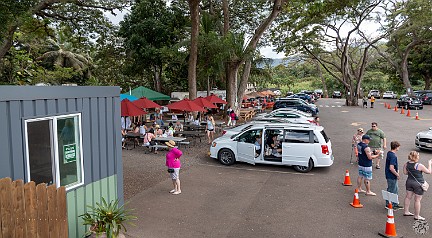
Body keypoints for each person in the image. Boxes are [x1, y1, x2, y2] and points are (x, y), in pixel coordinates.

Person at [403, 151, 432, 220]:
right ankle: (417, 216)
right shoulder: (419, 165)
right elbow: (429, 172)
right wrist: (430, 164)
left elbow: (405, 173)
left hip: (409, 182)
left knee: (408, 197)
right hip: (418, 183)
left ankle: (406, 211)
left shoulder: (406, 164)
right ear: (416, 157)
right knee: (417, 200)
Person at [385, 141, 403, 210]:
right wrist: (397, 174)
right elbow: (391, 168)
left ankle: (393, 203)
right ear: (396, 147)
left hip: (388, 175)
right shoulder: (393, 156)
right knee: (392, 190)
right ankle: (390, 204)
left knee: (394, 189)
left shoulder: (389, 153)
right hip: (391, 176)